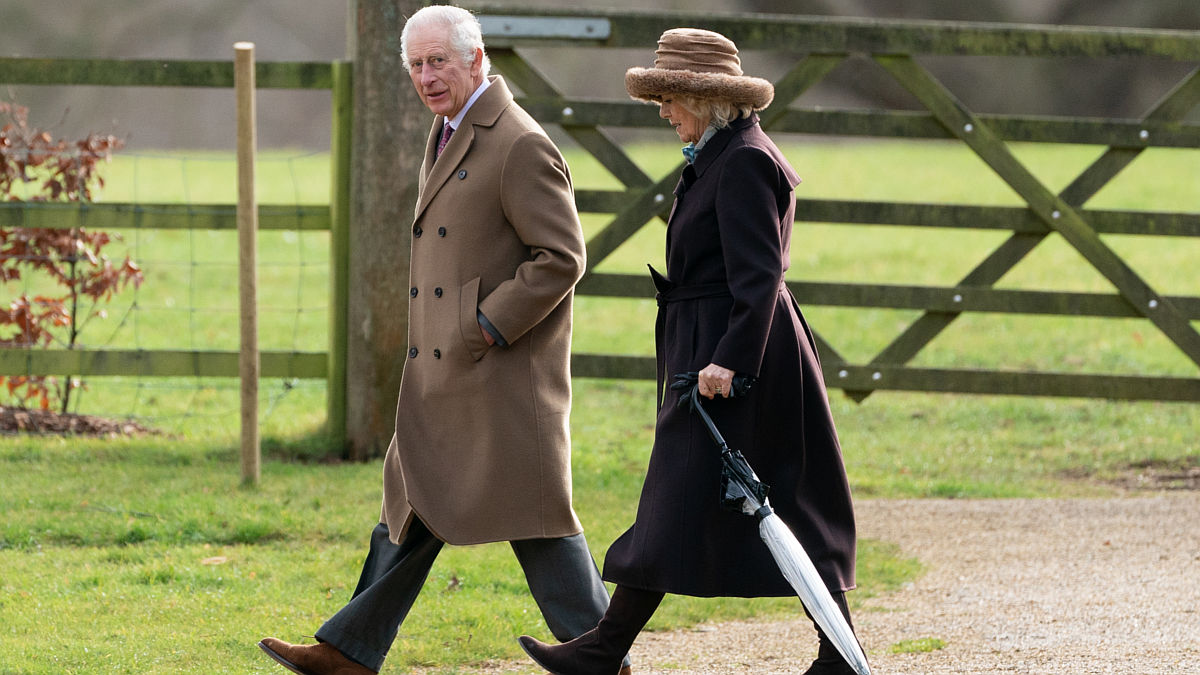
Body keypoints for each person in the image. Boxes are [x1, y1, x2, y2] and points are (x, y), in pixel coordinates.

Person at [258, 6, 631, 675]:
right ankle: (348, 651)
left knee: (537, 518)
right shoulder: (449, 128)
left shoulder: (518, 142)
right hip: (446, 372)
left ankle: (601, 655)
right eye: (416, 65)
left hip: (499, 374)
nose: (426, 77)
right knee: (410, 502)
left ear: (477, 59)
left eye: (438, 62)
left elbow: (561, 257)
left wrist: (484, 323)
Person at [517, 28, 863, 675]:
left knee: (720, 498)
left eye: (669, 100)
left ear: (703, 100)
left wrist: (730, 361)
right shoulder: (721, 153)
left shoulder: (744, 162)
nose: (664, 113)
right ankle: (607, 648)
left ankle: (605, 650)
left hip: (732, 357)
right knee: (703, 499)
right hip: (714, 347)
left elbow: (759, 277)